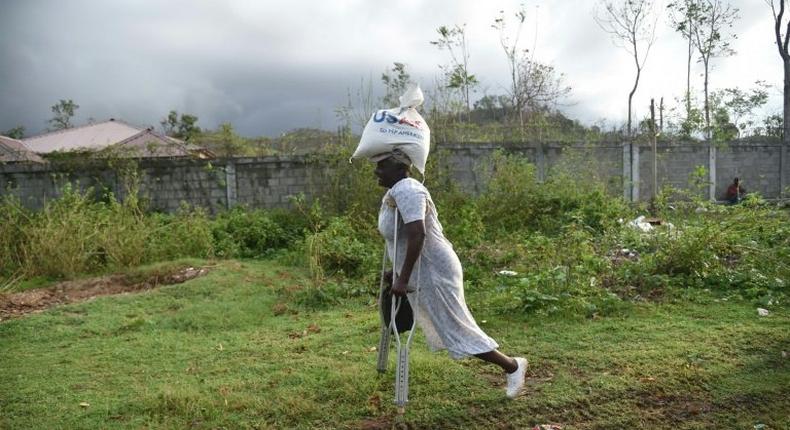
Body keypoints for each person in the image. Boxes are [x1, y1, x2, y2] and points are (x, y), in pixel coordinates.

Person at [373, 150, 528, 399]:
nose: (376, 171)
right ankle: (511, 365)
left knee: (456, 327)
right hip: (419, 270)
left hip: (434, 270)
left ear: (399, 168)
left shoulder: (409, 190)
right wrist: (398, 271)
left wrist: (403, 278)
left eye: (382, 166)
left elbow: (418, 234)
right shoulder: (394, 192)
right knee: (449, 327)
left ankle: (513, 366)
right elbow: (400, 236)